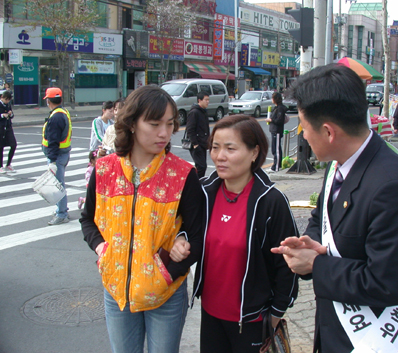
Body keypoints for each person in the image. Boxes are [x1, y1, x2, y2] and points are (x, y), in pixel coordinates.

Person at [272, 64, 398, 353]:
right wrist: (311, 242)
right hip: (337, 331)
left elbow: (388, 283)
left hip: (377, 340)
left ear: (329, 132)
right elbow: (322, 217)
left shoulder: (393, 187)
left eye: (304, 127)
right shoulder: (340, 160)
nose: (302, 135)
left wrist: (316, 264)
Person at [80, 85, 204, 353]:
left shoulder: (183, 175)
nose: (164, 133)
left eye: (170, 124)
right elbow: (87, 220)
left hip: (165, 295)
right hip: (116, 293)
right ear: (132, 124)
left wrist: (168, 273)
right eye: (154, 123)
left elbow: (198, 235)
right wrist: (103, 250)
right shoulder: (104, 170)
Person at [185, 115, 299, 353]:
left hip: (253, 321)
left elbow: (288, 265)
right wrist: (180, 238)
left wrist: (276, 314)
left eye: (230, 148)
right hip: (211, 315)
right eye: (215, 147)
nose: (219, 156)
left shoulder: (271, 202)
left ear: (254, 152)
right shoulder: (205, 192)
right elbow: (184, 229)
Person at [42, 87, 72, 225]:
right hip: (63, 154)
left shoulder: (56, 117)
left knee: (58, 185)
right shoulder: (63, 112)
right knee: (59, 184)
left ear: (49, 100)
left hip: (58, 156)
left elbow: (53, 141)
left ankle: (61, 214)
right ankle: (61, 210)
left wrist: (52, 161)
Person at [186, 91, 210, 178]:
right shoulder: (194, 112)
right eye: (206, 100)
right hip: (196, 144)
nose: (207, 102)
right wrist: (195, 144)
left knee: (201, 166)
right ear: (199, 100)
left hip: (203, 143)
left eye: (208, 100)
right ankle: (196, 184)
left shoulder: (203, 112)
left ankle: (197, 184)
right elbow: (190, 129)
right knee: (201, 167)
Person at [265, 92, 287, 172]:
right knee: (275, 148)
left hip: (277, 131)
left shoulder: (280, 108)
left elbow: (279, 120)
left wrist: (271, 120)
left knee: (276, 149)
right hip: (274, 130)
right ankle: (277, 165)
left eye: (272, 98)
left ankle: (276, 166)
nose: (271, 99)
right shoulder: (276, 108)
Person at [0, 91, 16, 174]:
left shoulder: (8, 105)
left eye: (8, 100)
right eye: (6, 100)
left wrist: (10, 114)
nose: (7, 101)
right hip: (1, 127)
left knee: (13, 145)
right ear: (2, 97)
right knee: (1, 147)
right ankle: (0, 166)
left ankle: (8, 164)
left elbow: (12, 115)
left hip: (8, 127)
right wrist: (2, 115)